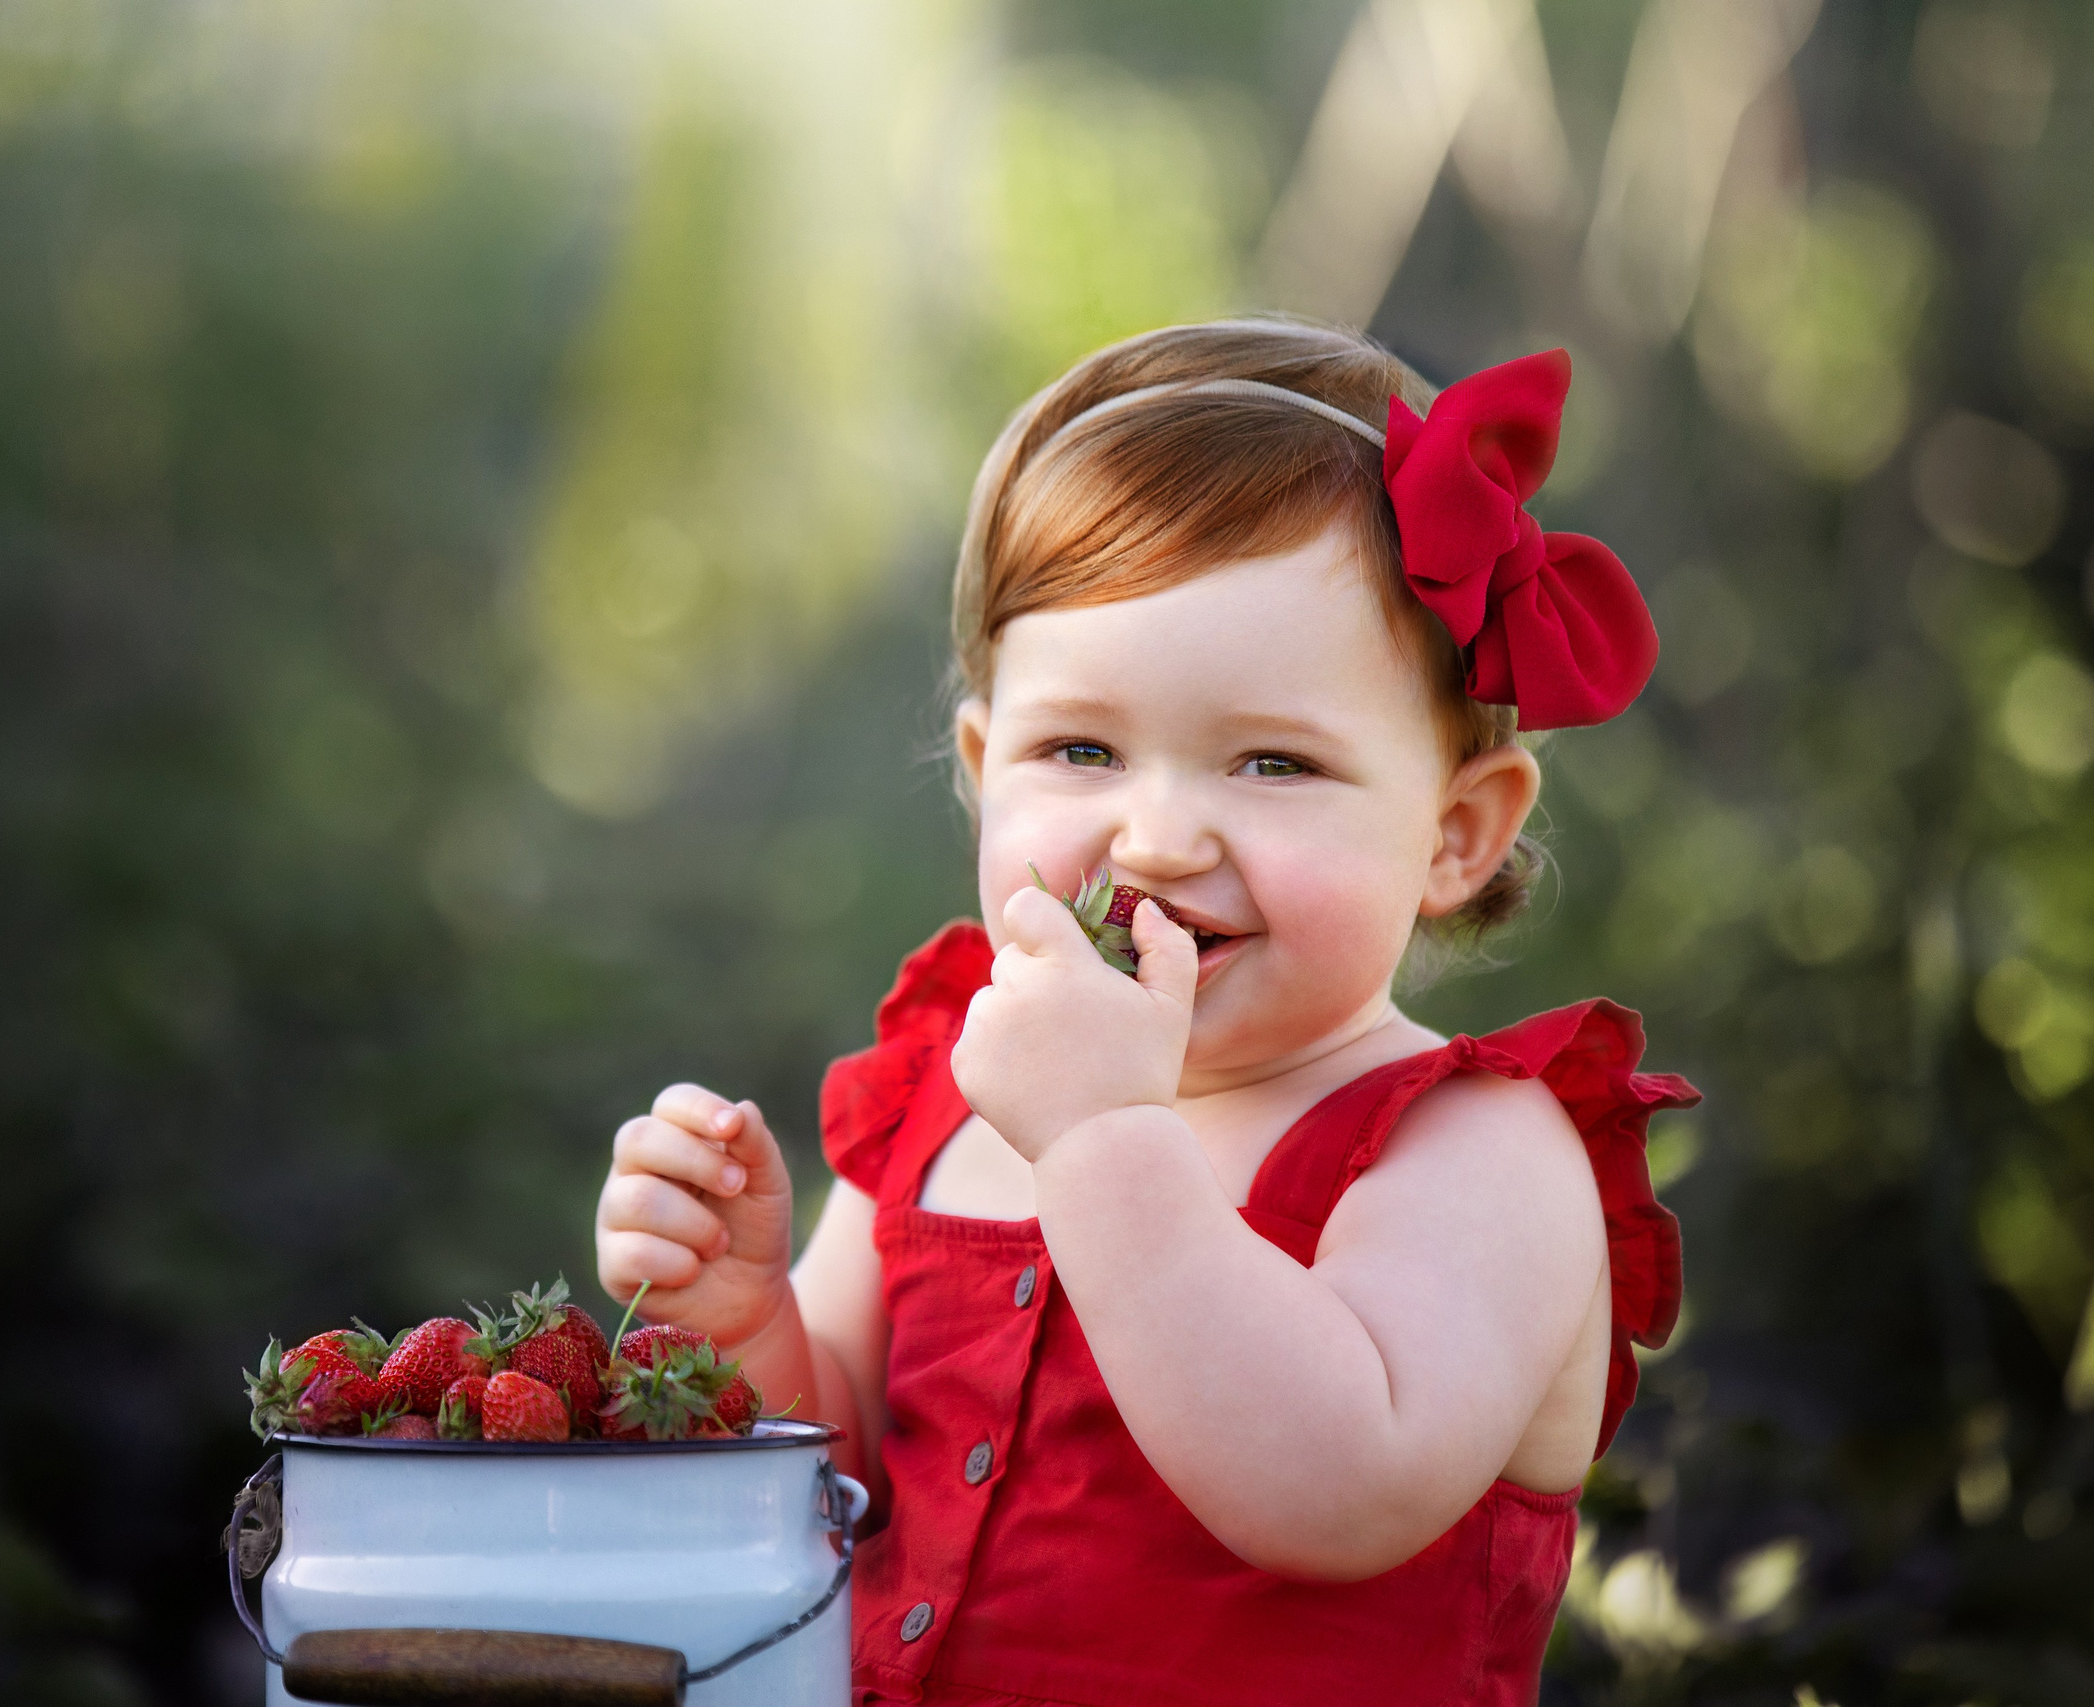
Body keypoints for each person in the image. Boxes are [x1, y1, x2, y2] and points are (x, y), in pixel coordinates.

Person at [594, 318, 1700, 1705]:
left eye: (1274, 762)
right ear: (989, 769)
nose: (1160, 835)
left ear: (1454, 834)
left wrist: (1107, 1140)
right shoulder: (953, 1091)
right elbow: (841, 1486)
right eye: (1082, 750)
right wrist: (743, 1325)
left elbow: (1333, 1491)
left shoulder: (1476, 1155)